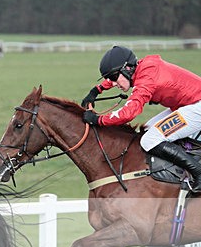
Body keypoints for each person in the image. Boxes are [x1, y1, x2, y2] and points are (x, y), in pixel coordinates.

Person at [81, 45, 201, 192]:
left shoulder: (146, 79)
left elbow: (128, 113)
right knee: (148, 130)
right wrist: (96, 90)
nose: (112, 83)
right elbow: (118, 78)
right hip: (188, 104)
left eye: (113, 78)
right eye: (109, 79)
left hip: (197, 106)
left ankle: (198, 173)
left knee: (149, 140)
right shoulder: (140, 68)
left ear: (128, 69)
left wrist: (98, 120)